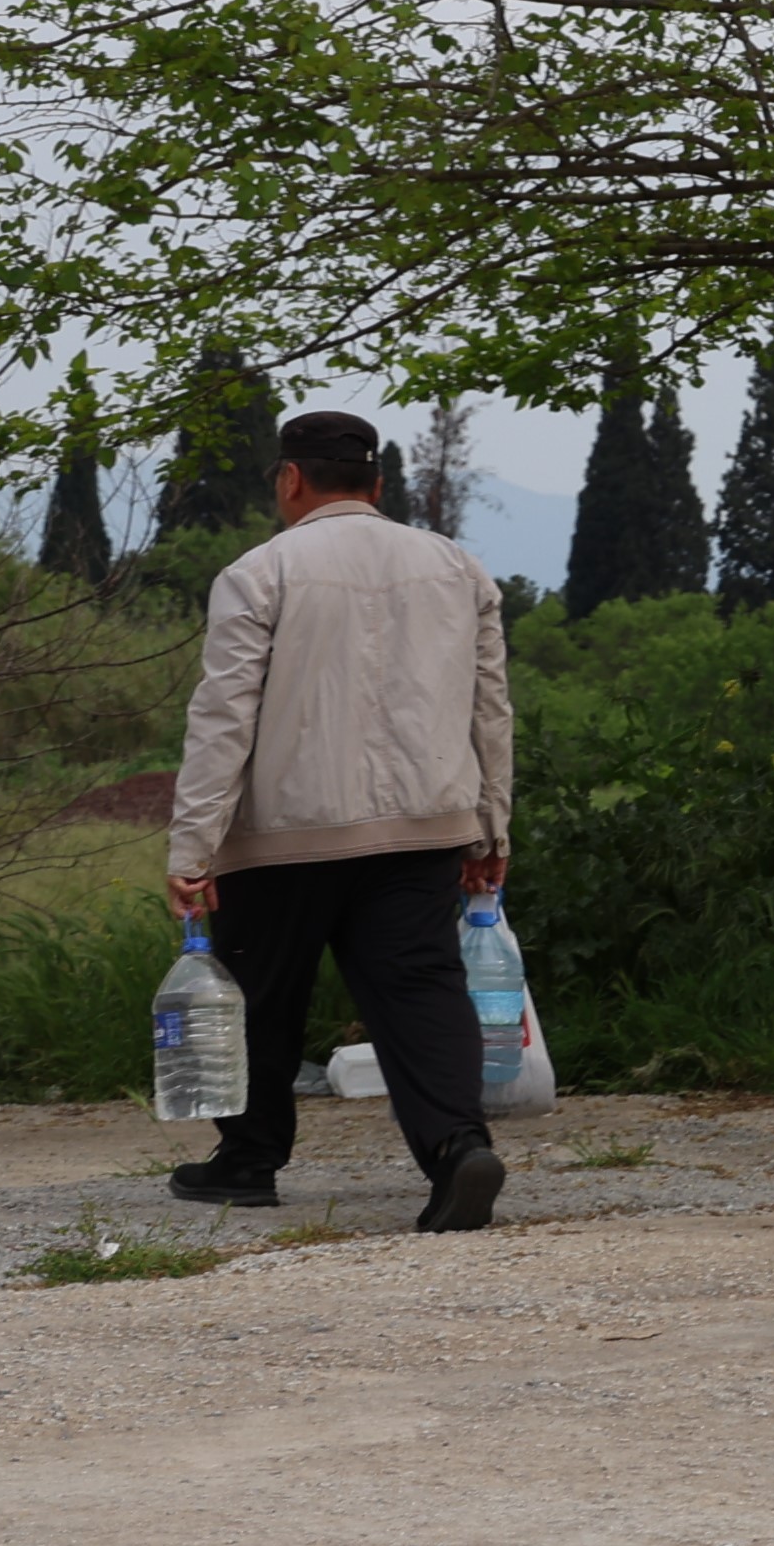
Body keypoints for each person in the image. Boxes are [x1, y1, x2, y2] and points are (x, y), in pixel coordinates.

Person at [163, 408, 518, 1231]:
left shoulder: (259, 572)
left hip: (285, 833)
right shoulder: (457, 568)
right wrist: (490, 830)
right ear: (377, 485)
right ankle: (458, 1148)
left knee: (261, 992)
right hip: (425, 825)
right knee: (421, 991)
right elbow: (489, 709)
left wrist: (193, 847)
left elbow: (223, 719)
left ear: (290, 479)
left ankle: (248, 1161)